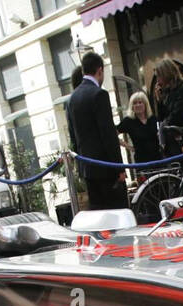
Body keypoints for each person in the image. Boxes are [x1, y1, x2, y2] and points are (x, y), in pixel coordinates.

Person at [67, 51, 127, 210]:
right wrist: (119, 168)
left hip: (88, 169)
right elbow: (108, 135)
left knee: (100, 216)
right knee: (118, 215)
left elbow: (73, 136)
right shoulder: (99, 94)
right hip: (106, 169)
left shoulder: (72, 99)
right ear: (100, 70)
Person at [153, 59, 183, 158]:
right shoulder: (168, 92)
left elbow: (178, 115)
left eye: (159, 76)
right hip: (173, 143)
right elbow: (162, 117)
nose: (158, 81)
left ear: (166, 74)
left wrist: (165, 125)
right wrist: (159, 101)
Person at [117, 92, 161, 165]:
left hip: (158, 159)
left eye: (140, 102)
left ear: (145, 104)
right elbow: (113, 134)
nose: (138, 105)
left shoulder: (152, 118)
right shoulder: (128, 121)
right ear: (132, 106)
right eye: (135, 103)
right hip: (141, 161)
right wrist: (129, 147)